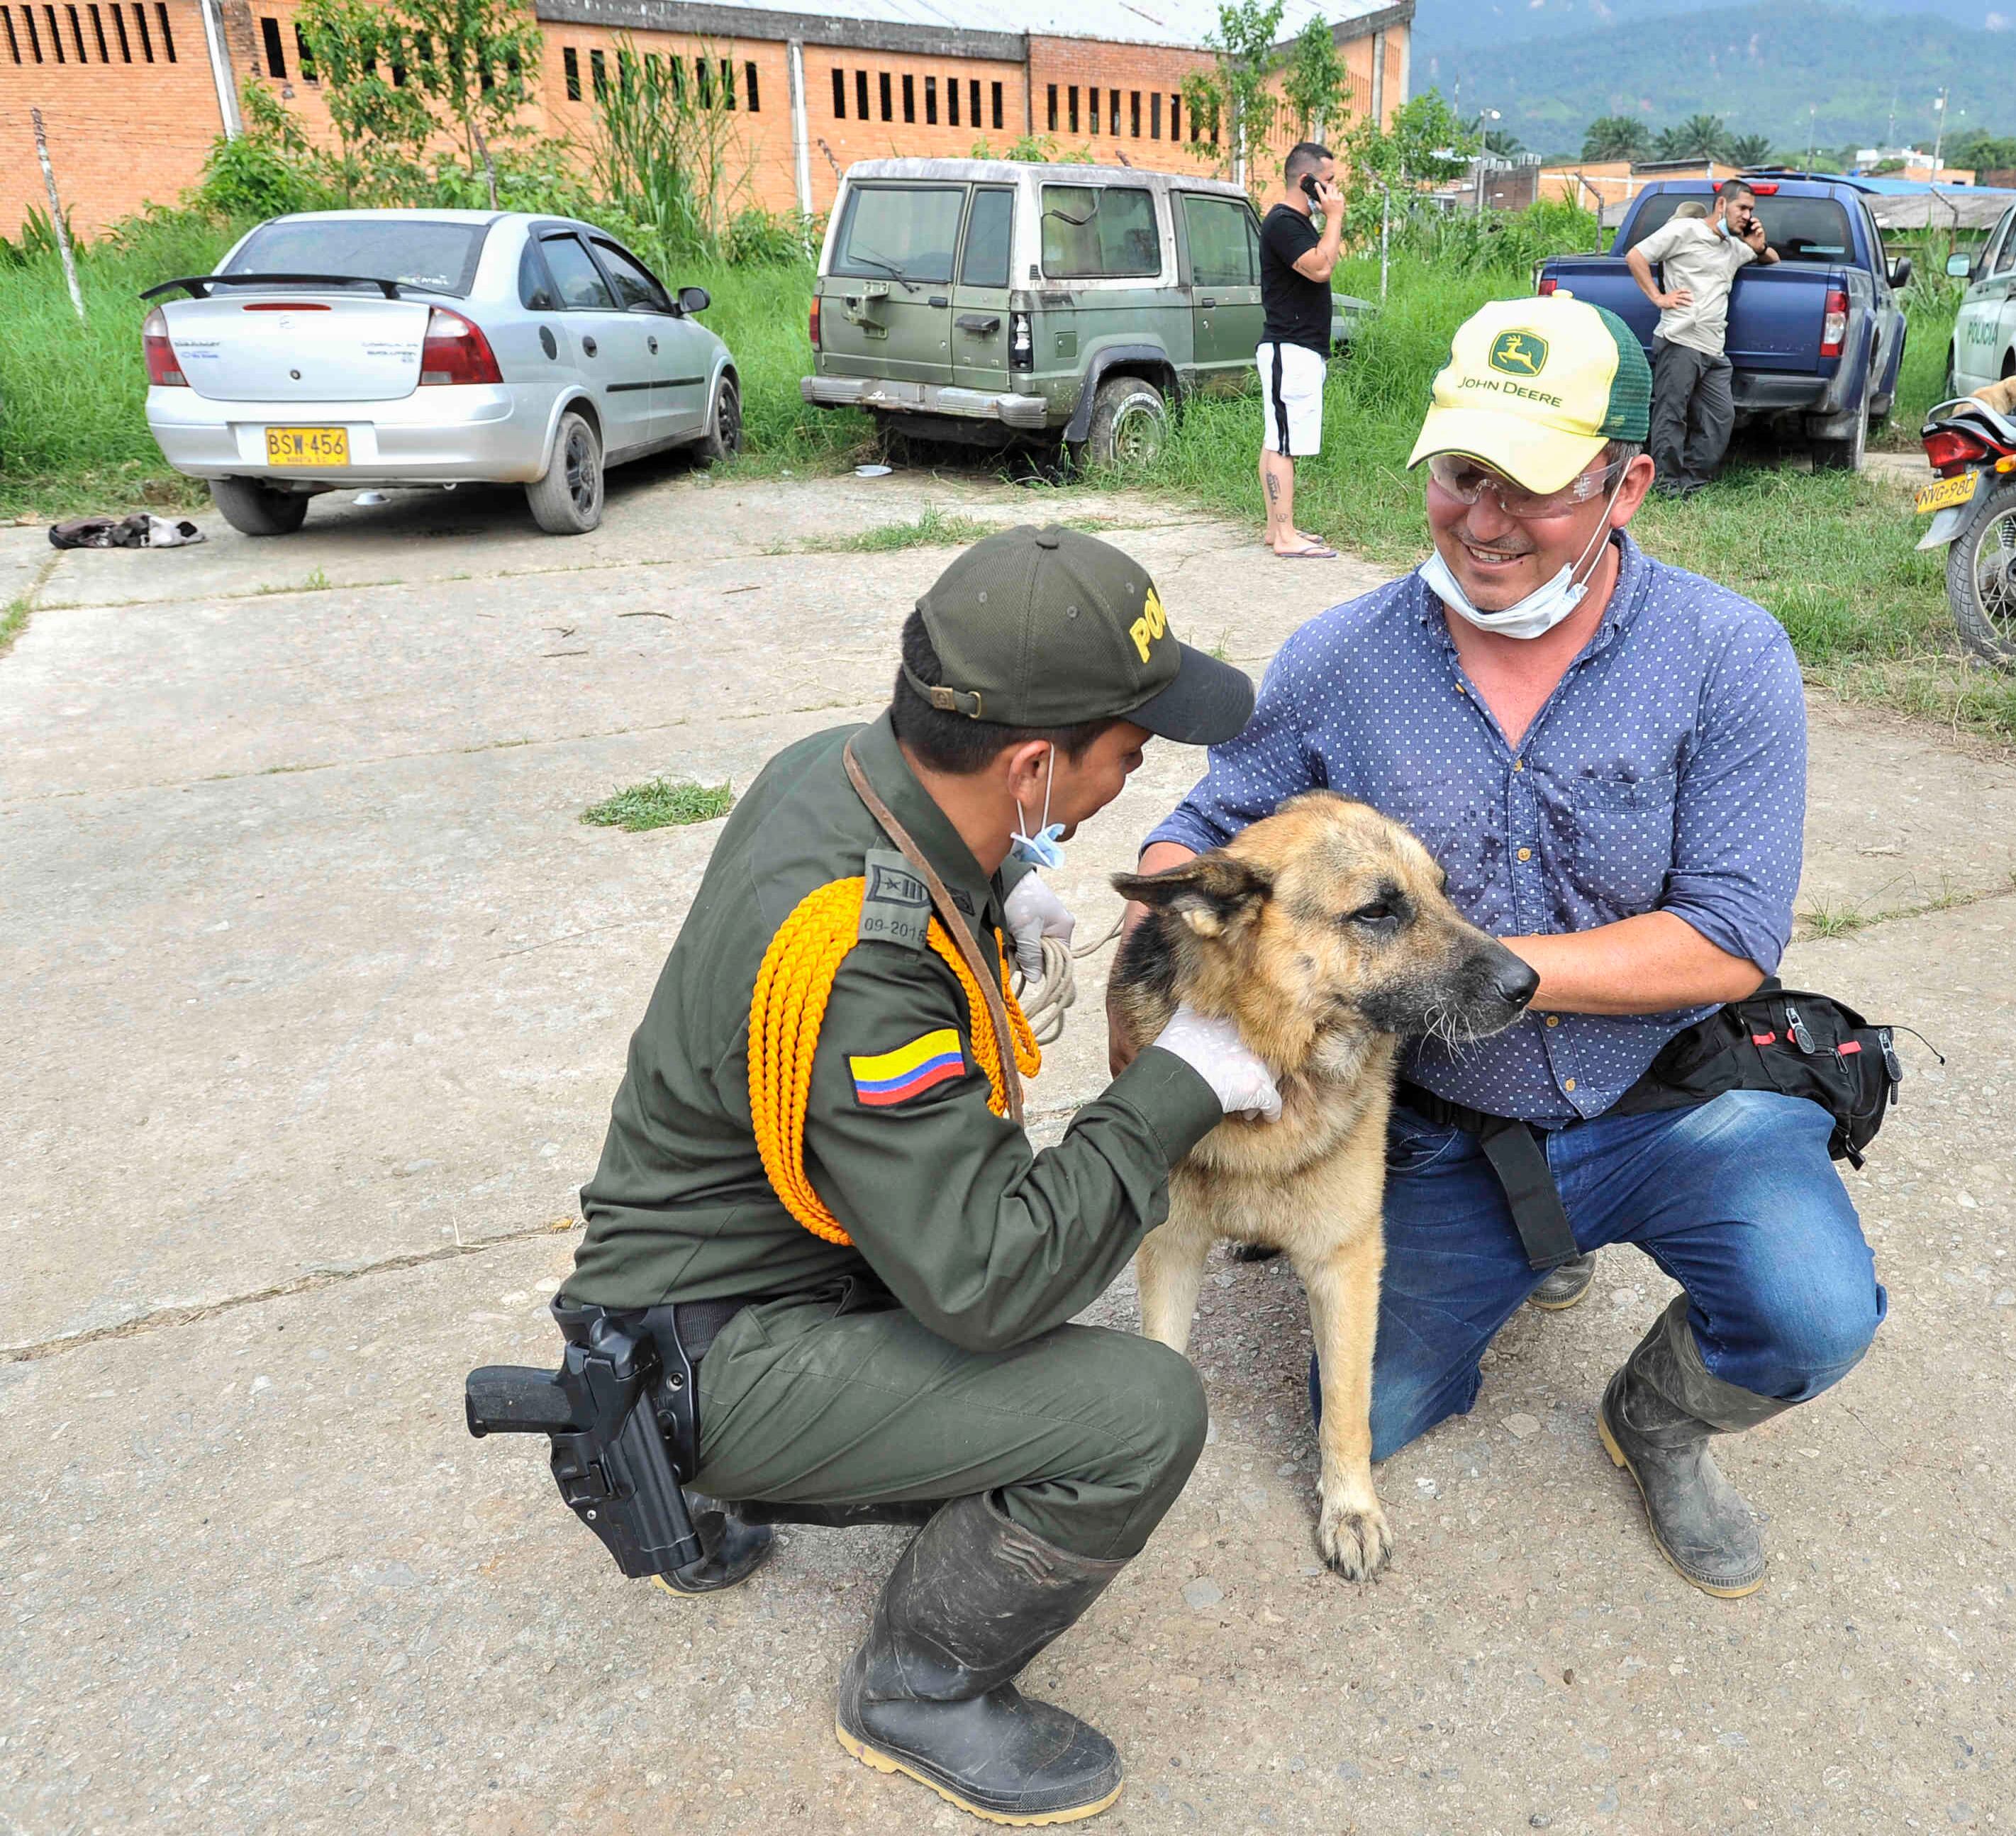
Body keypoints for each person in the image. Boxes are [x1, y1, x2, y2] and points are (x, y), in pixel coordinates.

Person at [1118, 294, 1885, 1598]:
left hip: (1664, 1095)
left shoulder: (1727, 655)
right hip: (1442, 1128)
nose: (1481, 519)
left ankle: (1657, 1417)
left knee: (1811, 1309)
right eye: (1460, 474)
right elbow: (1203, 824)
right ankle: (1530, 1237)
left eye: (1528, 487)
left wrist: (1477, 972)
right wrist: (1181, 933)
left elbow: (1731, 936)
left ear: (1624, 482)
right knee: (1376, 1402)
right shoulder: (1341, 655)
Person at [559, 526, 1279, 1826]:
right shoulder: (858, 956)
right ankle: (919, 1683)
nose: (1142, 766)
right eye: (1133, 742)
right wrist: (1176, 1079)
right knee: (1136, 1407)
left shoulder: (838, 776)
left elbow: (910, 868)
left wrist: (1002, 876)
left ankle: (758, 1463)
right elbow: (991, 1278)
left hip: (717, 1272)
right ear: (1032, 763)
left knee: (1034, 1290)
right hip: (718, 1346)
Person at [1624, 180, 1777, 497]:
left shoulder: (1733, 248)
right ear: (1721, 205)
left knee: (1721, 416)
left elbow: (1771, 260)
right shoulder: (1685, 231)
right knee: (1672, 412)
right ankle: (1665, 485)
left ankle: (1693, 482)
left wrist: (1760, 244)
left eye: (1751, 210)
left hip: (1713, 348)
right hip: (1681, 339)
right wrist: (1659, 297)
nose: (1747, 216)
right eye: (1742, 208)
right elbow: (1636, 256)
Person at [1258, 140, 1345, 560]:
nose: (1333, 189)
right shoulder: (1283, 223)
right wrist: (1336, 217)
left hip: (1298, 349)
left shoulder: (1298, 221)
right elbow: (1321, 267)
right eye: (1327, 181)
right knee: (1284, 444)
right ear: (1305, 180)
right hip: (1288, 348)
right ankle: (1286, 536)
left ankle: (1278, 530)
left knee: (1278, 439)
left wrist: (1327, 219)